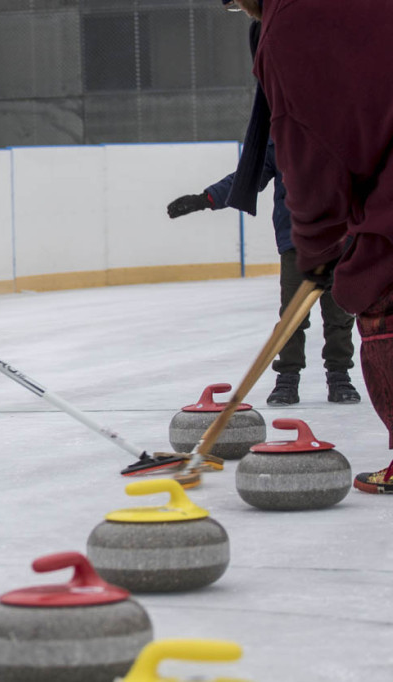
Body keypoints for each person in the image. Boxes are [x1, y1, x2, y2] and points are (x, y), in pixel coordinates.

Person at [223, 0, 393, 493]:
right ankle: (291, 377)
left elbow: (307, 151)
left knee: (379, 303)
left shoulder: (286, 32)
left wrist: (318, 247)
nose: (245, 13)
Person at [167, 138, 360, 406]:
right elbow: (248, 177)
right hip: (297, 241)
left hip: (340, 237)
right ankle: (288, 379)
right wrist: (206, 199)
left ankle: (339, 377)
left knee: (339, 312)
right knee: (292, 315)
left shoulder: (342, 131)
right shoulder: (281, 139)